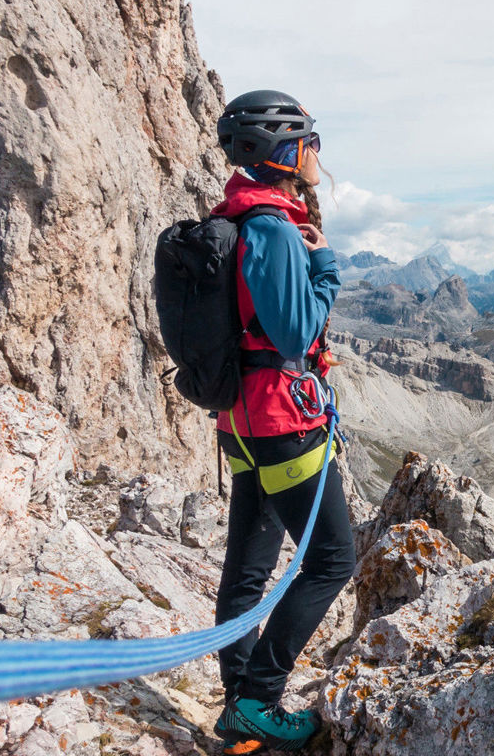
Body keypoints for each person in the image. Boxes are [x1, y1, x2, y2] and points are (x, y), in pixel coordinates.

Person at [207, 89, 355, 753]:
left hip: (242, 417)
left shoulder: (244, 216)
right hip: (280, 420)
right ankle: (260, 697)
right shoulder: (269, 225)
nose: (317, 152)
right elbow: (296, 334)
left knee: (248, 569)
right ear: (287, 150)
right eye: (310, 140)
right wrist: (324, 268)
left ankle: (239, 704)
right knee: (331, 560)